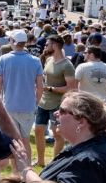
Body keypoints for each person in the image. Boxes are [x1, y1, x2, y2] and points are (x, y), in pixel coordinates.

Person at [32, 35, 76, 167]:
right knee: (38, 130)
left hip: (58, 104)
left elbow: (71, 87)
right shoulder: (48, 60)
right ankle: (40, 161)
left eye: (47, 44)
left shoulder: (67, 65)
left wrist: (50, 88)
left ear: (55, 45)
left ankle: (55, 163)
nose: (45, 46)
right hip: (44, 102)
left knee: (57, 134)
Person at [0, 31, 44, 139]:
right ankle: (26, 157)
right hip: (28, 106)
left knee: (11, 141)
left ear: (13, 41)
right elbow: (40, 87)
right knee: (25, 140)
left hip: (9, 105)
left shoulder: (3, 59)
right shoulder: (36, 61)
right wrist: (35, 103)